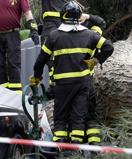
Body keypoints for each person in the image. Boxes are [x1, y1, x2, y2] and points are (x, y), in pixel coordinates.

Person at [31, 1, 114, 144]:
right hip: (84, 83)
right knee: (79, 117)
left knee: (61, 118)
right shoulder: (90, 34)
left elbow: (40, 61)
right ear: (80, 17)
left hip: (62, 85)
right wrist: (95, 61)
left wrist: (36, 79)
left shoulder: (54, 36)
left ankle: (63, 152)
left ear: (62, 16)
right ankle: (78, 149)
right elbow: (109, 47)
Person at [0, 0, 39, 93]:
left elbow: (27, 12)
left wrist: (33, 29)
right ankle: (2, 93)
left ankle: (16, 93)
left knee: (14, 63)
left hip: (12, 33)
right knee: (0, 65)